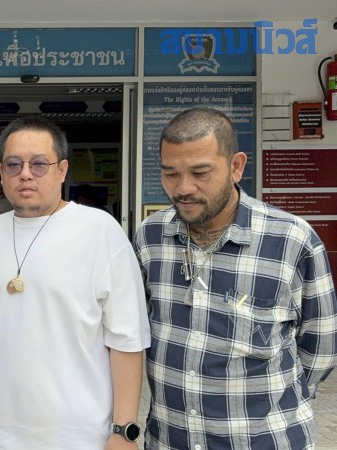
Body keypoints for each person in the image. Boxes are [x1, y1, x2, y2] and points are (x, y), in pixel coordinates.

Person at [133, 107, 337, 449]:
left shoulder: (291, 239)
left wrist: (277, 402)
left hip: (265, 441)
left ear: (236, 167)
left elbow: (321, 349)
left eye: (200, 172)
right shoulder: (150, 236)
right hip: (170, 439)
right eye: (170, 174)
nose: (183, 188)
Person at [0, 116, 151, 449]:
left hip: (80, 436)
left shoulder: (99, 231)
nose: (25, 173)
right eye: (13, 164)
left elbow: (127, 338)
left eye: (39, 164)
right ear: (1, 172)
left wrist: (124, 430)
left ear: (62, 170)